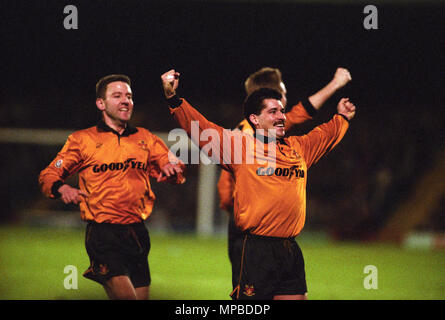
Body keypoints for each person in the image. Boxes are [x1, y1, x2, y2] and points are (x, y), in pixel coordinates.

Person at [161, 69, 356, 300]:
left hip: (290, 249)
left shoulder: (298, 148)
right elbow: (201, 128)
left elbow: (326, 134)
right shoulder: (240, 146)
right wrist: (174, 99)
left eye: (282, 111)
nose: (282, 116)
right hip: (257, 249)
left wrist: (342, 117)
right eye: (273, 112)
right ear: (254, 119)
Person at [39, 74, 185, 300]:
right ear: (101, 103)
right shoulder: (82, 140)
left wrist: (173, 168)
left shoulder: (145, 138)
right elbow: (49, 174)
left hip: (137, 233)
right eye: (117, 96)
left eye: (129, 96)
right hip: (103, 233)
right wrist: (61, 189)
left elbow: (173, 168)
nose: (125, 100)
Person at [217, 67, 352, 264]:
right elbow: (302, 111)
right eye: (283, 93)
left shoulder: (253, 127)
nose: (285, 100)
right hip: (254, 224)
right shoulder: (255, 134)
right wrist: (335, 84)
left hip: (245, 217)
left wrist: (227, 203)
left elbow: (299, 112)